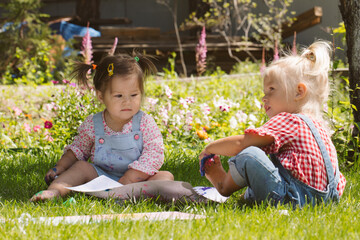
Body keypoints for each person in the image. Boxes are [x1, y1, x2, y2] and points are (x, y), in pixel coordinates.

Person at [199, 41, 346, 207]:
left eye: (271, 90)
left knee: (249, 154)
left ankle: (223, 185)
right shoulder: (318, 126)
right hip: (327, 200)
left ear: (299, 92)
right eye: (264, 92)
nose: (264, 98)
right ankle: (248, 196)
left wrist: (210, 148)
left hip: (291, 198)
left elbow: (243, 143)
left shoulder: (289, 119)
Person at [31, 52, 174, 201]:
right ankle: (54, 191)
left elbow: (154, 154)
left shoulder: (144, 122)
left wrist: (129, 179)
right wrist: (60, 166)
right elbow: (78, 149)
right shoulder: (94, 123)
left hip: (138, 179)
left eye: (134, 95)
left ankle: (136, 196)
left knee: (165, 176)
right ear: (101, 96)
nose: (127, 102)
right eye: (119, 96)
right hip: (102, 178)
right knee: (81, 167)